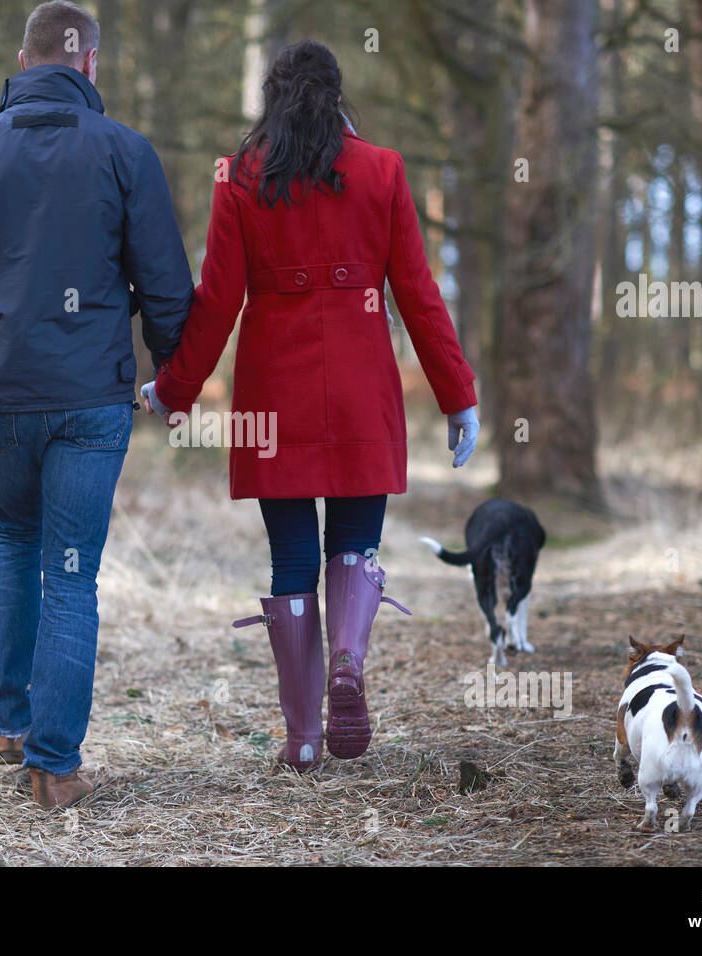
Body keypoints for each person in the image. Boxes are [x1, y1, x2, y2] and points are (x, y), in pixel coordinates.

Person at [141, 41, 479, 771]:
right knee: (353, 547)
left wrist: (173, 391)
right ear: (337, 94)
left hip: (275, 402)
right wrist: (459, 396)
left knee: (291, 557)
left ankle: (302, 737)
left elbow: (217, 300)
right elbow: (418, 293)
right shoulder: (381, 170)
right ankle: (347, 662)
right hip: (361, 395)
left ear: (272, 96)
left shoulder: (239, 176)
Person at [0, 0, 193, 808]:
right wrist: (174, 379)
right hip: (89, 400)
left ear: (24, 61)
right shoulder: (123, 152)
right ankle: (55, 767)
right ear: (89, 64)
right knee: (71, 572)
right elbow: (167, 286)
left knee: (15, 540)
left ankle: (9, 726)